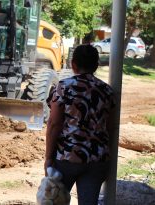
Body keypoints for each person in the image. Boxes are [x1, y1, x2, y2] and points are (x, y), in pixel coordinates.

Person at [44, 45, 116, 205]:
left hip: (67, 158)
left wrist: (49, 158)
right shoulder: (107, 91)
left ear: (73, 64)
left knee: (56, 201)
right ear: (96, 66)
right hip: (97, 160)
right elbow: (111, 127)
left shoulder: (63, 87)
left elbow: (54, 124)